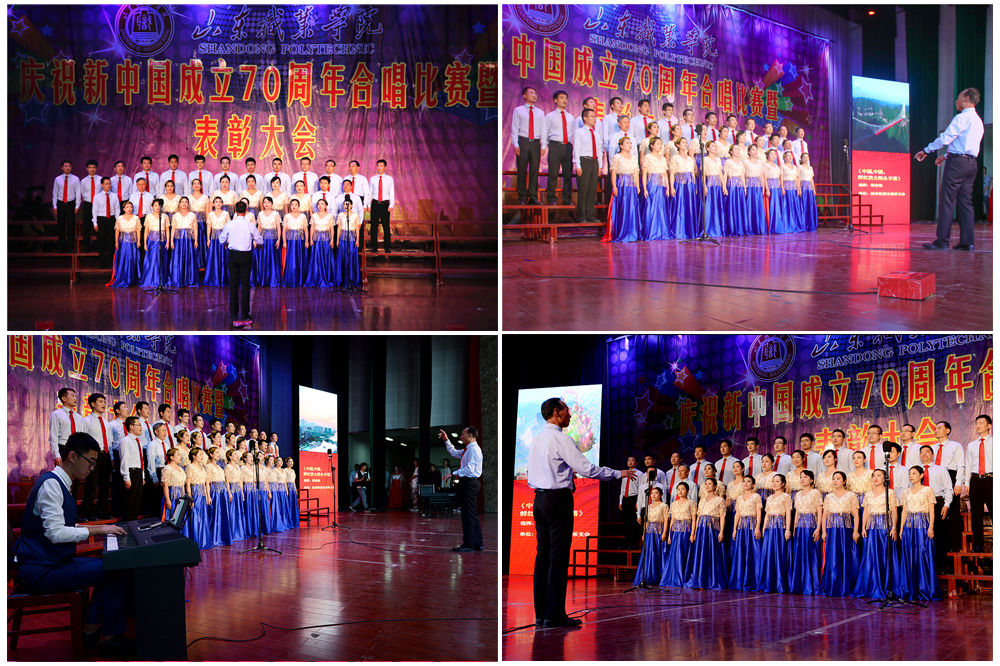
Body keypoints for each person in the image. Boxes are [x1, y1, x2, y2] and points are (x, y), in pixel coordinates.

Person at [12, 433, 132, 657]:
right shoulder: (51, 485)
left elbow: (60, 526)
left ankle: (92, 632)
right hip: (40, 570)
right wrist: (99, 529)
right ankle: (107, 638)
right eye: (91, 462)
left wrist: (100, 528)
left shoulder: (61, 484)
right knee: (115, 569)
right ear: (72, 456)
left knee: (113, 566)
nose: (92, 468)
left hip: (52, 562)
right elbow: (56, 534)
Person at [527, 397, 635, 628]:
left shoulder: (536, 439)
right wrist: (618, 473)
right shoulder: (562, 439)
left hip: (539, 500)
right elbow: (587, 469)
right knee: (558, 556)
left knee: (543, 556)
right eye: (566, 410)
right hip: (558, 500)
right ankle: (554, 614)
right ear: (556, 412)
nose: (570, 414)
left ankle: (541, 614)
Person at [915, 87, 983, 250]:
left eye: (959, 98)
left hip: (957, 165)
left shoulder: (962, 118)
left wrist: (926, 150)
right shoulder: (978, 121)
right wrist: (946, 156)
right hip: (971, 164)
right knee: (966, 202)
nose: (955, 101)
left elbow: (946, 138)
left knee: (947, 201)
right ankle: (967, 243)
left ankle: (942, 242)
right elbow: (967, 145)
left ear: (966, 99)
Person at [896, 466, 945, 600]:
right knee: (909, 555)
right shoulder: (906, 492)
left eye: (914, 473)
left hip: (922, 525)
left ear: (921, 475)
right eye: (910, 474)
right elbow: (904, 511)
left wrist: (931, 526)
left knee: (923, 554)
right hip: (909, 526)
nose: (911, 476)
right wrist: (901, 529)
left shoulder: (928, 490)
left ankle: (925, 588)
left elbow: (931, 510)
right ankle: (910, 589)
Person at [852, 469, 900, 599]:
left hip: (885, 526)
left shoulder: (890, 493)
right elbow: (866, 512)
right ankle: (872, 585)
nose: (876, 478)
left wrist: (894, 527)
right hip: (872, 527)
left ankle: (887, 585)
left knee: (885, 554)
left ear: (885, 478)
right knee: (872, 554)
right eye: (874, 476)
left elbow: (894, 512)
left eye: (879, 475)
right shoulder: (868, 494)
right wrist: (863, 527)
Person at [218, 200, 264, 322]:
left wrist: (226, 244)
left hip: (233, 255)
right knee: (245, 285)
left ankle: (233, 313)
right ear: (246, 210)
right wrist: (257, 243)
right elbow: (260, 240)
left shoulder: (230, 224)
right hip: (245, 256)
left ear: (235, 210)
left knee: (233, 284)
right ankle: (244, 314)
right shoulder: (250, 225)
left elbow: (221, 239)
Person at [440, 427, 484, 550]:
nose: (460, 437)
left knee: (468, 515)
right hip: (469, 483)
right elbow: (454, 452)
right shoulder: (468, 449)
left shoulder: (473, 450)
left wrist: (452, 473)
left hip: (469, 483)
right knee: (472, 514)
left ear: (470, 435)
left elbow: (470, 469)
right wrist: (446, 440)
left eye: (462, 434)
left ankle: (469, 544)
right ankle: (477, 544)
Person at [820, 471, 859, 597]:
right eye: (833, 478)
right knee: (832, 555)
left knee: (845, 554)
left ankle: (845, 586)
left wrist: (856, 531)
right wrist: (824, 531)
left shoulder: (851, 495)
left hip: (846, 528)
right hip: (832, 529)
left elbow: (856, 515)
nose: (835, 481)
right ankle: (832, 585)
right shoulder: (829, 496)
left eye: (838, 478)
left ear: (844, 481)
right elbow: (825, 515)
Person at [685, 478, 727, 590]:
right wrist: (694, 532)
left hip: (712, 528)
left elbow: (722, 516)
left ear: (715, 486)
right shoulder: (702, 500)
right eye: (706, 484)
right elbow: (699, 516)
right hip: (701, 528)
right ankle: (700, 579)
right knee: (701, 552)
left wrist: (721, 531)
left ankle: (712, 580)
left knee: (712, 552)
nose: (707, 486)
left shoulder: (720, 500)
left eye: (710, 484)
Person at [789, 470, 823, 595]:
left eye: (805, 477)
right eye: (801, 477)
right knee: (799, 553)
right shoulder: (798, 494)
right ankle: (799, 584)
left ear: (812, 480)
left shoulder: (816, 493)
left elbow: (820, 512)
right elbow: (797, 512)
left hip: (811, 524)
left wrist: (818, 528)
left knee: (811, 553)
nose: (802, 479)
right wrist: (794, 528)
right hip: (799, 525)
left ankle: (812, 584)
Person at [601, 136, 641, 243]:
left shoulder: (634, 158)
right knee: (623, 208)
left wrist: (637, 186)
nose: (630, 145)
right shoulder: (617, 157)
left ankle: (632, 232)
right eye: (627, 143)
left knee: (632, 208)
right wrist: (614, 187)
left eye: (630, 143)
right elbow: (613, 173)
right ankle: (622, 232)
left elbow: (636, 173)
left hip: (631, 186)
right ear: (621, 146)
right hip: (622, 185)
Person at [757, 474, 792, 593]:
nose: (774, 483)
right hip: (769, 527)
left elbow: (788, 514)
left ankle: (780, 582)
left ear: (783, 484)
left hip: (780, 525)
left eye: (777, 481)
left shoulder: (786, 496)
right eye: (773, 481)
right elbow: (767, 514)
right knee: (768, 552)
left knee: (779, 552)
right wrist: (763, 528)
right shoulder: (769, 497)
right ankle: (768, 582)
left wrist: (788, 530)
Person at [964, 415, 992, 552]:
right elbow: (968, 465)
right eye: (976, 423)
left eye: (981, 423)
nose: (978, 425)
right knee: (976, 514)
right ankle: (978, 545)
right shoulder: (971, 445)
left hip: (991, 479)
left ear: (989, 426)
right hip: (975, 480)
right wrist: (967, 482)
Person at [728, 475, 762, 591]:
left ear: (753, 485)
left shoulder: (756, 496)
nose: (746, 483)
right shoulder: (739, 498)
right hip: (741, 526)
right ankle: (739, 580)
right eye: (744, 481)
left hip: (752, 525)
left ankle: (753, 580)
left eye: (748, 481)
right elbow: (737, 513)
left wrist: (758, 527)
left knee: (753, 551)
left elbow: (759, 513)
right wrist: (734, 529)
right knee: (741, 551)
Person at [659, 482, 695, 588]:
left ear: (687, 491)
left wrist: (693, 533)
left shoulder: (691, 503)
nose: (680, 491)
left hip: (686, 531)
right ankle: (674, 577)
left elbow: (694, 520)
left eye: (683, 489)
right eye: (678, 489)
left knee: (684, 553)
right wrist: (669, 535)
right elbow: (672, 520)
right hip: (675, 531)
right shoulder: (674, 504)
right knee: (674, 554)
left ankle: (684, 577)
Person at [572, 108, 603, 224]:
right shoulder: (579, 132)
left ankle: (590, 214)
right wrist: (577, 165)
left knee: (592, 189)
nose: (594, 119)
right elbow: (577, 149)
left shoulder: (596, 134)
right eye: (592, 116)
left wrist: (599, 165)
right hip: (584, 161)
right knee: (583, 189)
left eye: (595, 117)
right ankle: (581, 215)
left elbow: (599, 150)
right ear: (585, 118)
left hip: (594, 162)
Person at [632, 486, 667, 586]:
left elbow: (666, 520)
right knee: (648, 553)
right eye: (652, 493)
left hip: (658, 531)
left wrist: (664, 533)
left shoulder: (664, 505)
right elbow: (646, 522)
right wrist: (644, 533)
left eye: (656, 493)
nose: (654, 495)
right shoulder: (648, 507)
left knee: (658, 553)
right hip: (650, 532)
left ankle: (659, 576)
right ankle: (647, 576)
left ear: (661, 495)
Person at [668, 137, 698, 239]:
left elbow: (693, 173)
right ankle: (679, 230)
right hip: (680, 184)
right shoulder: (674, 158)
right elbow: (672, 173)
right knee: (680, 205)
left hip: (690, 184)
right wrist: (672, 187)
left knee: (690, 206)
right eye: (683, 142)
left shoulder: (690, 159)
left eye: (686, 142)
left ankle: (690, 231)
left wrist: (694, 186)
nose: (685, 144)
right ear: (678, 145)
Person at [182, 448, 212, 549]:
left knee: (203, 517)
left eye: (202, 454)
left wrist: (208, 496)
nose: (202, 456)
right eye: (199, 454)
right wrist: (190, 498)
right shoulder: (190, 467)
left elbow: (205, 483)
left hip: (202, 493)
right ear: (194, 456)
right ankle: (195, 541)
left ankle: (203, 541)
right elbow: (187, 484)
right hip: (195, 492)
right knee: (196, 516)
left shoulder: (202, 467)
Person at [304, 197, 337, 287]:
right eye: (318, 204)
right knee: (316, 258)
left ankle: (327, 278)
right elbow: (312, 228)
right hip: (316, 239)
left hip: (326, 239)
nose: (320, 206)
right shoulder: (314, 216)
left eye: (322, 204)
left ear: (326, 206)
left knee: (326, 258)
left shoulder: (330, 216)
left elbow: (332, 229)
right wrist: (311, 239)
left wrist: (332, 239)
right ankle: (315, 278)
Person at [138, 199, 170, 288]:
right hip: (152, 240)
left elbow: (167, 230)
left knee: (161, 258)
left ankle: (161, 279)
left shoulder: (165, 216)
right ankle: (150, 279)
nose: (157, 207)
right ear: (152, 207)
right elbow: (146, 231)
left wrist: (168, 241)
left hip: (162, 239)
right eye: (155, 205)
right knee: (152, 259)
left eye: (159, 205)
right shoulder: (148, 216)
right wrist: (145, 243)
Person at [118, 416, 145, 521]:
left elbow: (140, 460)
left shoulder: (138, 441)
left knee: (137, 501)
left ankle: (134, 523)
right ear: (131, 426)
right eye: (139, 425)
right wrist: (126, 478)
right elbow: (124, 460)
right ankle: (127, 524)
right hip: (131, 472)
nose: (141, 427)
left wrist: (142, 476)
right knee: (129, 501)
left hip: (138, 472)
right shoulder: (126, 441)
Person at [52, 160, 82, 253]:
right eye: (65, 166)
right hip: (60, 204)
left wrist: (77, 206)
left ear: (71, 167)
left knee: (71, 225)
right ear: (62, 168)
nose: (67, 168)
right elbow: (55, 193)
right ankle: (61, 246)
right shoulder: (57, 179)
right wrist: (55, 206)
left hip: (70, 204)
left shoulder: (76, 179)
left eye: (69, 166)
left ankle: (70, 246)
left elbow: (78, 193)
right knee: (60, 225)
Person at [49, 387, 81, 469]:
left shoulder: (78, 417)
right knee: (63, 474)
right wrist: (56, 455)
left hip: (77, 451)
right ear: (64, 398)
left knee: (75, 476)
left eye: (75, 396)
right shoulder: (56, 414)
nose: (75, 398)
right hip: (63, 449)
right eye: (72, 396)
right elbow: (53, 436)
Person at [253, 198, 281, 288]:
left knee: (272, 257)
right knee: (263, 257)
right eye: (264, 202)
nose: (266, 204)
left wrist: (279, 239)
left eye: (268, 202)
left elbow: (278, 227)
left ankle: (273, 279)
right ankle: (263, 279)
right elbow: (259, 227)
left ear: (272, 204)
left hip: (273, 237)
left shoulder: (276, 213)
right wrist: (256, 239)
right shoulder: (260, 214)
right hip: (262, 238)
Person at [91, 176, 119, 269]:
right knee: (101, 242)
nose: (108, 185)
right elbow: (95, 210)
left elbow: (117, 210)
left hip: (111, 219)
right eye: (106, 184)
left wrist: (117, 222)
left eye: (109, 183)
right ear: (102, 185)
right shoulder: (97, 197)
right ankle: (102, 262)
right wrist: (95, 223)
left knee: (111, 242)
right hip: (101, 220)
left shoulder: (114, 196)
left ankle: (110, 262)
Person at [369, 159, 395, 252]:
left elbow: (392, 192)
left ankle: (387, 247)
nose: (379, 167)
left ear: (385, 167)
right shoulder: (372, 179)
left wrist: (391, 204)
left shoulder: (389, 179)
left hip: (385, 204)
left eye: (381, 166)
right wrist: (368, 205)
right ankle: (374, 247)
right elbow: (370, 193)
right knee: (374, 226)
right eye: (378, 166)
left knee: (386, 226)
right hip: (375, 204)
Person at [336, 196, 362, 289]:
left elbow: (357, 228)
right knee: (342, 257)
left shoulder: (355, 215)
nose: (346, 206)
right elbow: (339, 228)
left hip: (351, 238)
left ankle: (351, 279)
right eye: (344, 204)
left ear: (351, 205)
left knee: (350, 257)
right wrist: (337, 240)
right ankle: (342, 279)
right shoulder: (340, 215)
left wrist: (357, 239)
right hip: (343, 237)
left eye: (348, 204)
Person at [282, 199, 309, 287]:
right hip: (290, 240)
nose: (294, 206)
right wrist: (284, 241)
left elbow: (306, 230)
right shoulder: (287, 216)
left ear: (298, 206)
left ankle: (300, 280)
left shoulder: (303, 216)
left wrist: (307, 241)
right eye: (292, 205)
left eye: (295, 204)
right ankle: (290, 279)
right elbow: (284, 230)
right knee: (291, 259)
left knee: (300, 258)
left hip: (300, 240)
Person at [744, 145, 768, 235]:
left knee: (758, 205)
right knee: (750, 205)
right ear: (749, 152)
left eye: (756, 149)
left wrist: (763, 187)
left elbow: (761, 175)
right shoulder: (745, 162)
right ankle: (750, 227)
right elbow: (743, 174)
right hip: (749, 185)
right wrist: (744, 187)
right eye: (753, 149)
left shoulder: (760, 162)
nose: (755, 151)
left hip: (758, 185)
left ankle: (759, 227)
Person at [619, 456, 640, 551]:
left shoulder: (639, 474)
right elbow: (622, 488)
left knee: (635, 523)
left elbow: (640, 489)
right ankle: (626, 544)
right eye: (629, 460)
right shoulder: (625, 473)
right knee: (626, 523)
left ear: (636, 463)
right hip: (625, 499)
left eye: (632, 460)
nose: (630, 462)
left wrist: (638, 502)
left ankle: (635, 545)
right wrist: (620, 501)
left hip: (634, 498)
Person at [160, 447, 186, 520]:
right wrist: (167, 499)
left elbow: (182, 484)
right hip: (173, 494)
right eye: (178, 455)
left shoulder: (180, 469)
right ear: (172, 457)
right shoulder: (167, 468)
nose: (180, 456)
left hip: (181, 495)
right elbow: (165, 485)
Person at [781, 151, 804, 233]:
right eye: (788, 155)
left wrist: (799, 189)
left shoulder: (794, 167)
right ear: (784, 158)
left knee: (794, 206)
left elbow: (797, 179)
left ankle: (795, 224)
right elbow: (781, 178)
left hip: (794, 188)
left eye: (791, 155)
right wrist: (782, 188)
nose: (790, 157)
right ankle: (787, 225)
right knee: (786, 206)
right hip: (786, 188)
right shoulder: (782, 166)